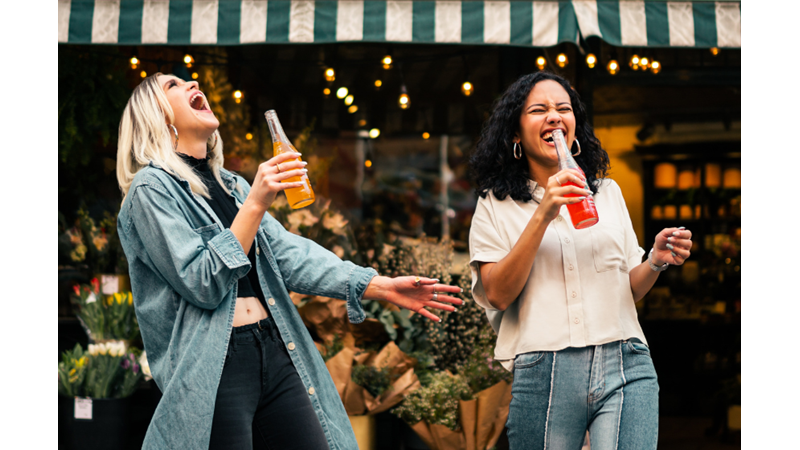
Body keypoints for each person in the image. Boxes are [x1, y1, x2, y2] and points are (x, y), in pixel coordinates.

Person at [115, 73, 463, 450]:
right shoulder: (150, 190)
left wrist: (377, 286)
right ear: (156, 116)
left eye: (188, 80)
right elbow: (201, 281)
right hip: (214, 363)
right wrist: (256, 203)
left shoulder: (232, 184)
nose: (191, 83)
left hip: (275, 344)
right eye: (174, 85)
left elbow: (289, 255)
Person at [468, 72, 693, 450]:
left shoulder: (605, 192)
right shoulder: (496, 203)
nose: (554, 117)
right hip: (546, 370)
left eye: (564, 109)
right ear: (515, 135)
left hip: (626, 360)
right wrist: (544, 213)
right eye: (539, 109)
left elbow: (628, 289)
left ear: (574, 130)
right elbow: (497, 294)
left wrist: (655, 260)